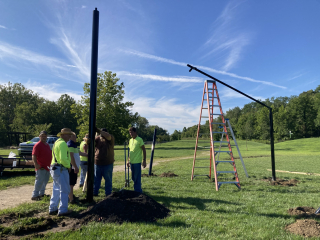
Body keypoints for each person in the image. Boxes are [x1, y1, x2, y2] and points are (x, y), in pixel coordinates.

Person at [49, 128, 76, 216]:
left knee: (56, 189)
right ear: (63, 135)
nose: (70, 136)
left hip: (54, 168)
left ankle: (53, 208)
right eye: (68, 134)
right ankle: (63, 210)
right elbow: (63, 158)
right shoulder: (63, 144)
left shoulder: (56, 143)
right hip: (61, 168)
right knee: (64, 190)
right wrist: (69, 166)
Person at [31, 131, 52, 200]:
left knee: (45, 181)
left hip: (47, 166)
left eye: (45, 136)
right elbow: (34, 155)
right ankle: (35, 195)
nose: (44, 137)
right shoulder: (37, 145)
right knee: (39, 181)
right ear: (39, 136)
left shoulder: (47, 144)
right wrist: (35, 164)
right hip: (41, 166)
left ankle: (41, 194)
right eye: (42, 135)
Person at [94, 128, 115, 197]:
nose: (102, 135)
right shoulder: (97, 139)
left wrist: (99, 131)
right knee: (96, 179)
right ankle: (95, 192)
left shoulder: (110, 138)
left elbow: (108, 136)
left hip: (107, 163)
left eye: (103, 134)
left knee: (108, 179)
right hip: (97, 163)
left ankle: (108, 193)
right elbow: (91, 143)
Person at [127, 127, 146, 193]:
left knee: (137, 178)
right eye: (130, 132)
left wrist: (144, 160)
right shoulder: (130, 140)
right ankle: (137, 190)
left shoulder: (139, 139)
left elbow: (144, 149)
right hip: (131, 162)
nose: (131, 133)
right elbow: (130, 151)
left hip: (137, 162)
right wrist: (128, 160)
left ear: (135, 132)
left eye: (132, 132)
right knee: (133, 178)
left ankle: (138, 192)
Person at [67, 133, 80, 204]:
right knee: (71, 184)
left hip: (74, 167)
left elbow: (79, 153)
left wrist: (88, 154)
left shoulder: (74, 145)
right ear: (70, 137)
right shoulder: (70, 144)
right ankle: (71, 200)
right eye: (74, 136)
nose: (75, 138)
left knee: (72, 183)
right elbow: (71, 156)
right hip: (72, 167)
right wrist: (75, 166)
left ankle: (71, 196)